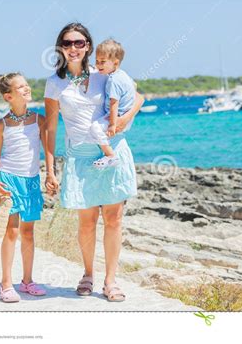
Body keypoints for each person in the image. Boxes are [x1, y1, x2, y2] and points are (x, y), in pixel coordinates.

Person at [44, 23, 144, 301]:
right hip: (80, 157)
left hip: (112, 153)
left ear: (88, 45)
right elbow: (50, 128)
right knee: (87, 222)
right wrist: (50, 170)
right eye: (67, 43)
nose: (73, 48)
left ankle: (111, 281)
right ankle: (88, 273)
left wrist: (124, 119)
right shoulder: (55, 83)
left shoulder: (104, 72)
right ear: (60, 47)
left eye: (79, 42)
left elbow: (138, 97)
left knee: (114, 220)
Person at [0, 72, 51, 302]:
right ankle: (6, 284)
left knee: (28, 233)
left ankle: (27, 281)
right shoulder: (1, 125)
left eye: (27, 85)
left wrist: (50, 174)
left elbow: (47, 151)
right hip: (9, 181)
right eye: (20, 87)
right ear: (8, 96)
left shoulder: (39, 119)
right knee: (12, 231)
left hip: (31, 180)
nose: (27, 89)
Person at [90, 39, 136, 169]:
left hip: (117, 116)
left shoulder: (113, 80)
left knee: (95, 128)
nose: (98, 65)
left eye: (102, 62)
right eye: (97, 61)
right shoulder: (123, 75)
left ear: (115, 62)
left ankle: (110, 155)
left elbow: (114, 103)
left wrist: (112, 124)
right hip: (126, 116)